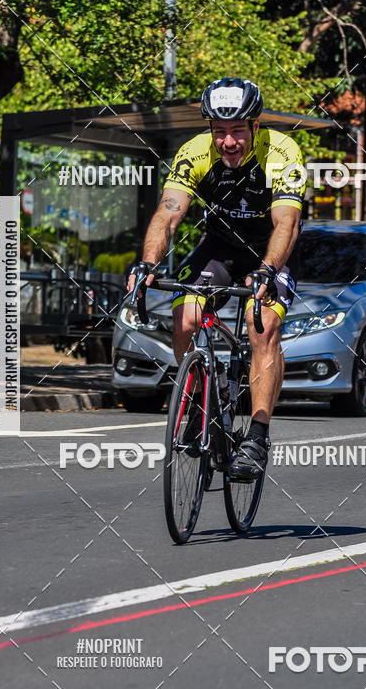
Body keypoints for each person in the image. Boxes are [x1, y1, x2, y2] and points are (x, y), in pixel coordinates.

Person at [127, 77, 305, 480]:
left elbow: (286, 221)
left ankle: (257, 436)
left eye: (238, 130)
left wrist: (268, 269)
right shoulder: (195, 153)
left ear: (255, 126)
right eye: (220, 131)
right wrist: (148, 264)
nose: (228, 141)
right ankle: (203, 400)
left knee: (261, 327)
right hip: (219, 248)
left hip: (272, 251)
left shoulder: (282, 151)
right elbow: (167, 215)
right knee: (186, 319)